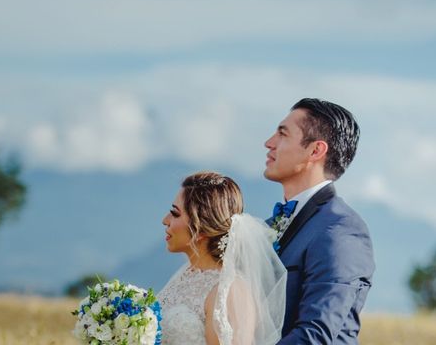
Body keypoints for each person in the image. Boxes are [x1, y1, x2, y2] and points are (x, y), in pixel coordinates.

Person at [264, 98, 375, 344]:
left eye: (282, 134)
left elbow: (315, 335)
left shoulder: (341, 230)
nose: (268, 143)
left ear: (315, 150)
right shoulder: (268, 225)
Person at [159, 171, 287, 345]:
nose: (164, 220)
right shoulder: (186, 275)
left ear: (201, 228)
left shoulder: (230, 292)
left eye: (175, 214)